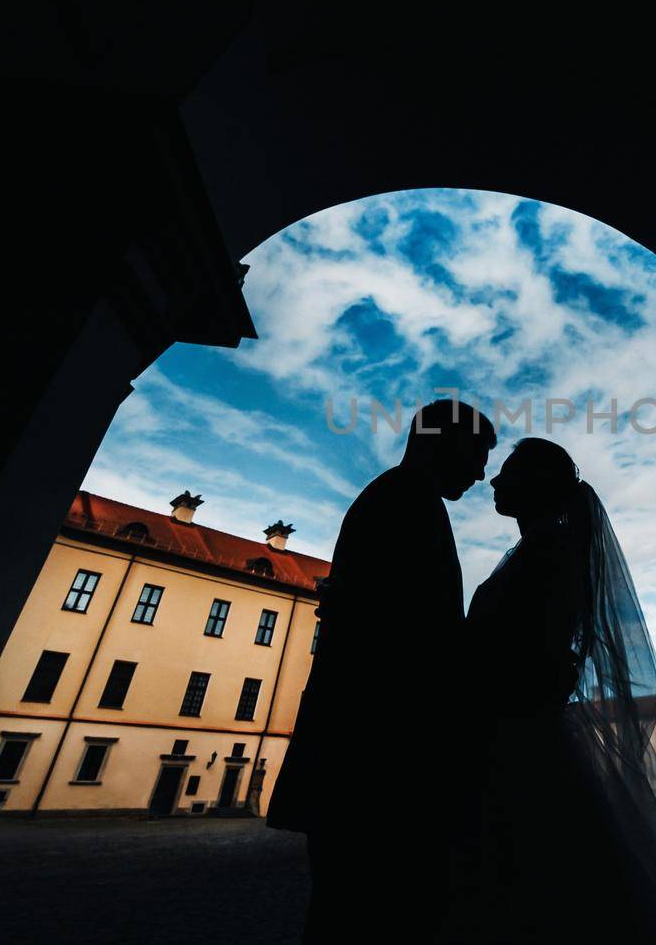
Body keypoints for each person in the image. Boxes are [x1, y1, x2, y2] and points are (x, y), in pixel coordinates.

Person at [445, 438, 656, 943]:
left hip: (514, 734)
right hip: (519, 729)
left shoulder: (547, 554)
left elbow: (538, 655)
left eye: (508, 472)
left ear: (536, 486)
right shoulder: (541, 551)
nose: (494, 481)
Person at [268, 399, 496, 942]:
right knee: (369, 907)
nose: (482, 473)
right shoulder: (405, 501)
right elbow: (415, 635)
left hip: (361, 745)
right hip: (376, 750)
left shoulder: (399, 497)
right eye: (477, 454)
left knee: (350, 904)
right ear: (440, 442)